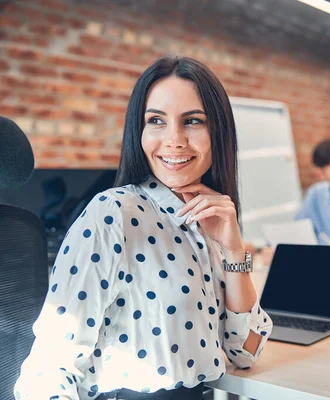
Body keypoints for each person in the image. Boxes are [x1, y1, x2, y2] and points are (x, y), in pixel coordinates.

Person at [14, 56, 272, 399]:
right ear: (139, 131)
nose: (174, 140)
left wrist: (234, 250)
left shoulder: (209, 220)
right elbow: (49, 368)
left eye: (193, 121)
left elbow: (246, 351)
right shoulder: (113, 213)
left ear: (218, 133)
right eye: (156, 121)